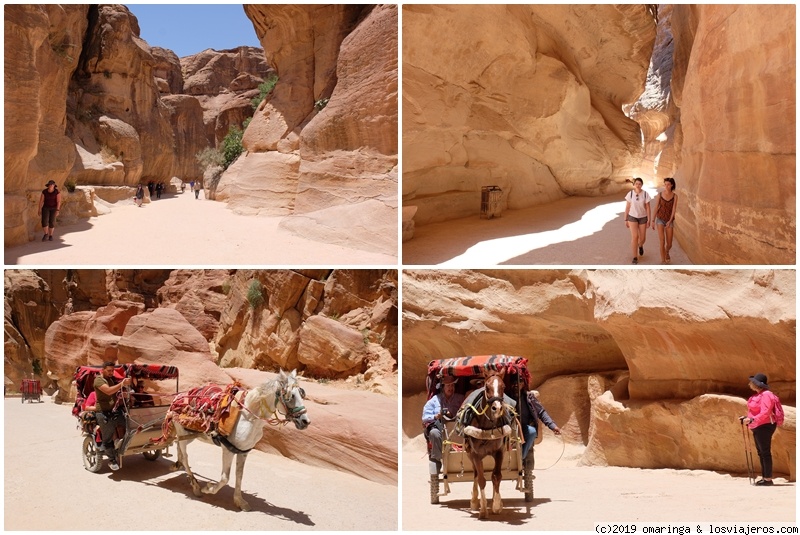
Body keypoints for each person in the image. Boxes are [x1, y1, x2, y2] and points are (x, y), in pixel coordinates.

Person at [511, 376, 561, 464]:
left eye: (519, 382)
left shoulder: (528, 397)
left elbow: (541, 412)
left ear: (523, 384)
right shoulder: (505, 396)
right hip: (509, 428)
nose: (516, 385)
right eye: (514, 382)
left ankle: (521, 456)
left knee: (532, 432)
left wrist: (553, 426)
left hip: (523, 427)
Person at [742, 373, 780, 486]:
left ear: (756, 384)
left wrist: (752, 420)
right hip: (758, 425)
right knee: (761, 452)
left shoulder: (766, 395)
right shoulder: (759, 395)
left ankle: (768, 479)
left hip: (765, 425)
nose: (749, 384)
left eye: (751, 382)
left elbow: (766, 411)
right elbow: (757, 412)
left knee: (765, 452)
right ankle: (765, 478)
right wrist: (747, 418)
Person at [422, 375, 465, 473]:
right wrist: (436, 416)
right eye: (448, 386)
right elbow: (424, 418)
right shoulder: (434, 400)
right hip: (440, 427)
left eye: (452, 385)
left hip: (457, 428)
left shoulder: (461, 398)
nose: (451, 388)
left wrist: (454, 414)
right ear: (443, 387)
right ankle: (437, 460)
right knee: (434, 433)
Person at [93, 362, 131, 471]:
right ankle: (112, 460)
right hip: (103, 413)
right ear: (103, 370)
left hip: (113, 411)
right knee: (107, 437)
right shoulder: (98, 380)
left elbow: (113, 392)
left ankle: (122, 443)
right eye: (109, 370)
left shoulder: (110, 380)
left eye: (112, 371)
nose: (111, 373)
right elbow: (108, 391)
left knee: (127, 423)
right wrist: (122, 384)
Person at [624, 177, 651, 264]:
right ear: (634, 185)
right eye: (636, 184)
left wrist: (649, 219)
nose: (638, 185)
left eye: (639, 184)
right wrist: (626, 219)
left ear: (642, 185)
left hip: (643, 217)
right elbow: (627, 207)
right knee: (635, 237)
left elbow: (648, 207)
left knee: (643, 238)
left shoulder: (645, 194)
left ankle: (640, 245)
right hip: (632, 217)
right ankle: (635, 257)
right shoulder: (630, 194)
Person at [651, 177, 678, 264]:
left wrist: (670, 221)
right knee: (662, 241)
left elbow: (674, 209)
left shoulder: (675, 196)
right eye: (665, 184)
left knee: (669, 243)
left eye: (668, 184)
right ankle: (663, 261)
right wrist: (652, 220)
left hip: (669, 220)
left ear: (672, 185)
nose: (666, 186)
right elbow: (656, 207)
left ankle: (667, 252)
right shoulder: (660, 195)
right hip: (660, 219)